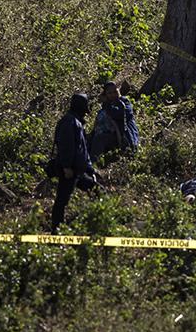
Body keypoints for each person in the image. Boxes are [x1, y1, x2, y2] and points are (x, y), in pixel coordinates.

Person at [50, 93, 95, 232]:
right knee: (61, 201)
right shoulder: (70, 122)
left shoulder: (74, 121)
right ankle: (55, 233)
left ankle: (103, 222)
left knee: (95, 189)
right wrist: (67, 167)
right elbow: (66, 146)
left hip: (78, 170)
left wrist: (89, 169)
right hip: (70, 170)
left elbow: (82, 149)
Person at [89, 81, 139, 163]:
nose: (113, 95)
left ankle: (93, 164)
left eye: (115, 91)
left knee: (100, 139)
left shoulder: (124, 102)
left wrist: (106, 103)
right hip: (110, 136)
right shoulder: (104, 108)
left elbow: (118, 114)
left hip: (124, 136)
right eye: (109, 93)